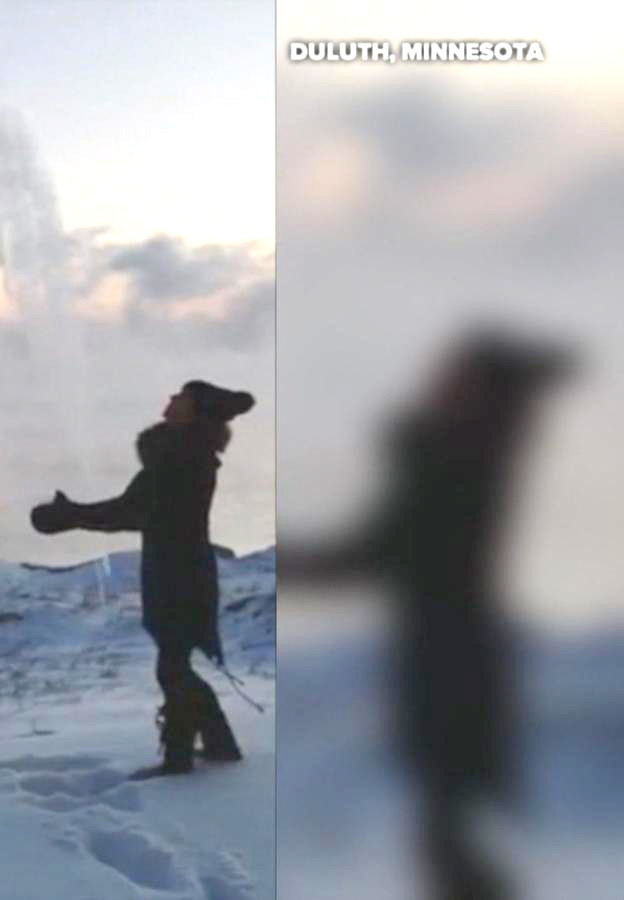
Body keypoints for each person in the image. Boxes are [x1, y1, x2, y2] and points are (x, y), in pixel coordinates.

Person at [279, 330, 572, 900]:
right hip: (461, 650)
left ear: (477, 393)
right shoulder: (471, 455)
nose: (435, 383)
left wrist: (301, 566)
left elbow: (390, 551)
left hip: (448, 655)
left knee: (451, 826)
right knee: (457, 822)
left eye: (455, 376)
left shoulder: (454, 464)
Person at [30, 380, 255, 776]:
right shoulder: (182, 453)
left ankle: (179, 759)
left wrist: (69, 516)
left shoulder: (181, 457)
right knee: (175, 663)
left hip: (179, 574)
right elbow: (136, 510)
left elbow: (130, 512)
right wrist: (75, 514)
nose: (169, 399)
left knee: (172, 666)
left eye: (180, 397)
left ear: (195, 411)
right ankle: (219, 746)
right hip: (179, 568)